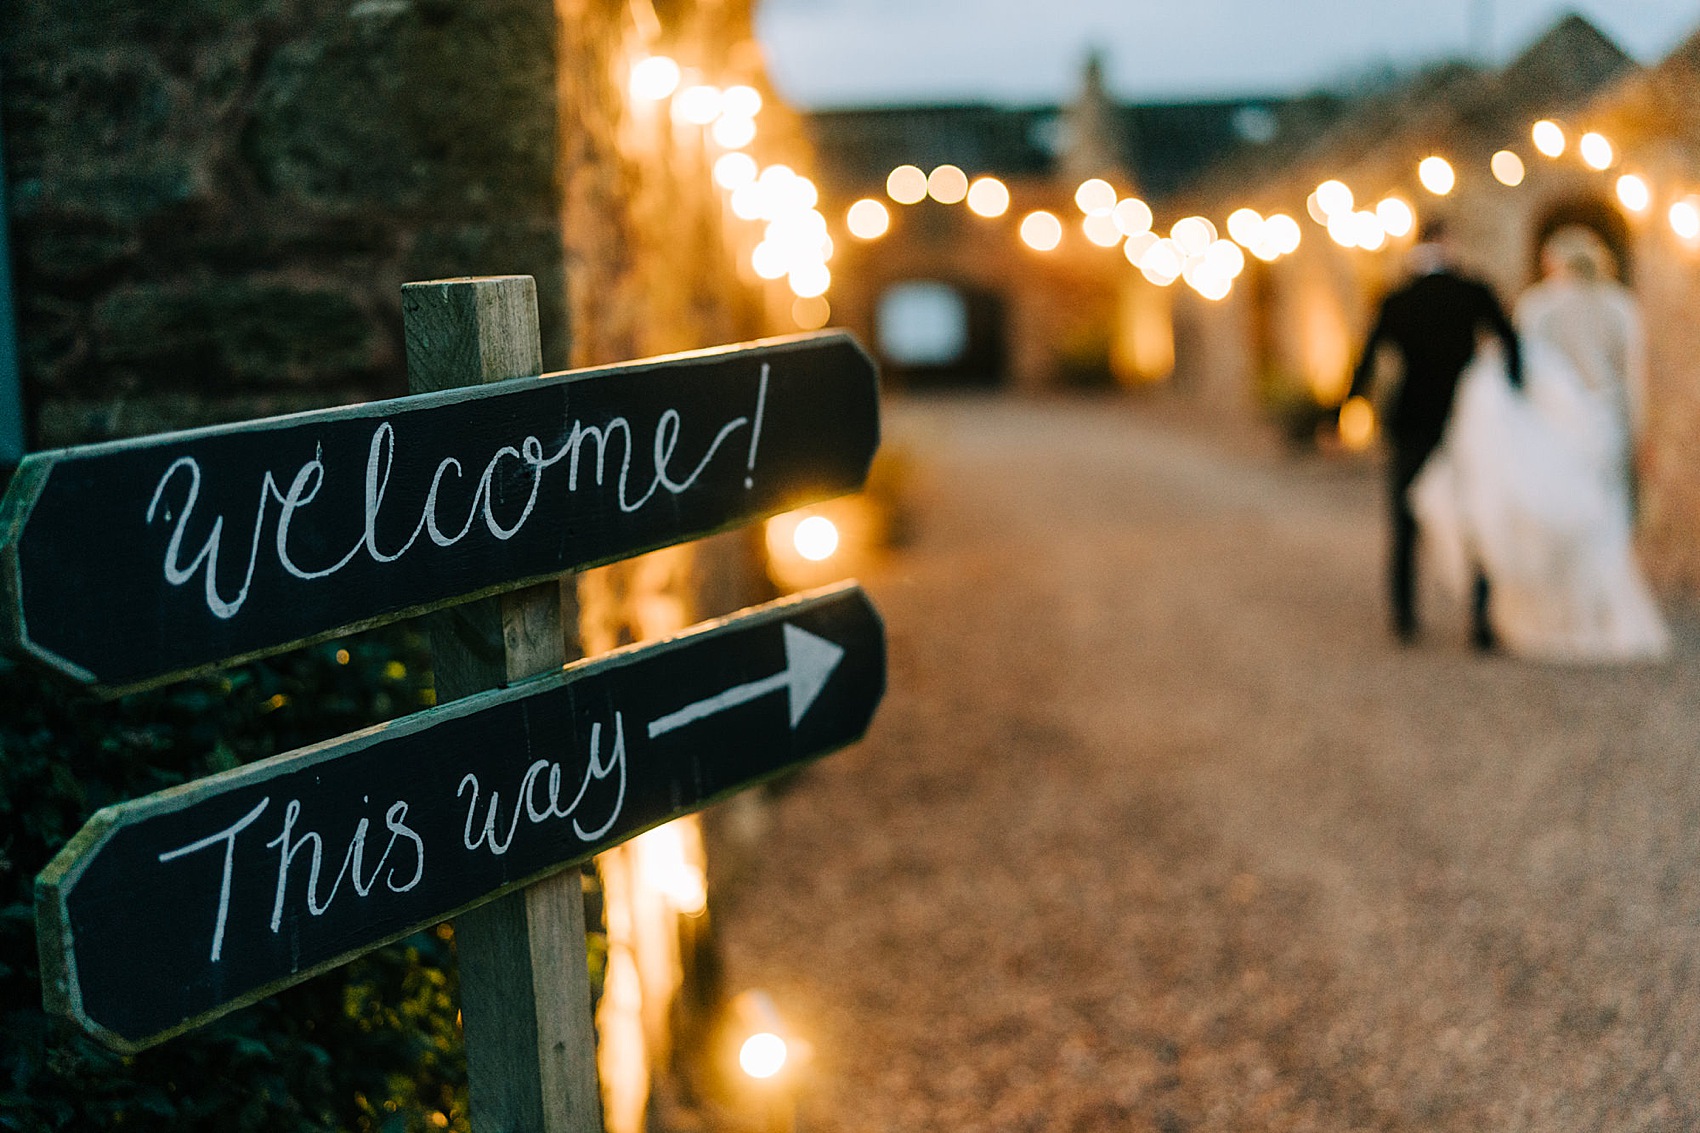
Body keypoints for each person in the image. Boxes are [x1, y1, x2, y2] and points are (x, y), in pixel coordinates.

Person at [1410, 225, 1670, 661]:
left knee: (1563, 524)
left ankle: (1561, 620)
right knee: (1604, 524)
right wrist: (1640, 435)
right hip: (1608, 428)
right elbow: (1633, 382)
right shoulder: (1622, 308)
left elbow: (1524, 374)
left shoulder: (1538, 308)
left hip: (1560, 432)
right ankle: (1603, 617)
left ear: (1553, 264)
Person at [1344, 217, 1522, 648]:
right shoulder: (1475, 291)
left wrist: (1344, 407)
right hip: (1466, 417)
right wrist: (1516, 397)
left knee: (1405, 517)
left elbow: (1368, 357)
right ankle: (1481, 619)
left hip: (1413, 418)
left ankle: (1404, 615)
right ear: (1450, 246)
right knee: (1478, 513)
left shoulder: (1397, 299)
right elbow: (1511, 343)